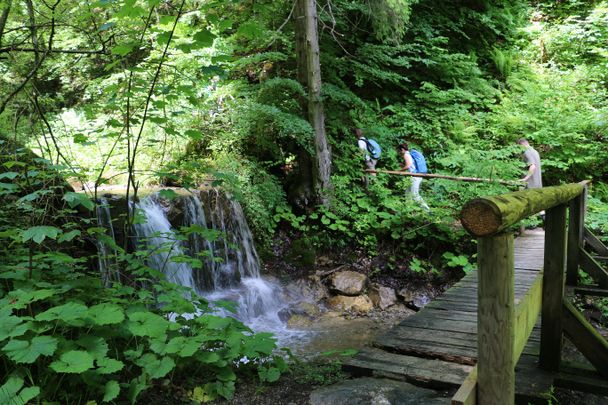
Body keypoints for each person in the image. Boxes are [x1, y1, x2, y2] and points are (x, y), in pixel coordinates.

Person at [397, 143, 430, 211]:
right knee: (407, 193)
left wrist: (400, 170)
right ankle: (408, 210)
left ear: (402, 149)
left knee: (415, 195)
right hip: (415, 176)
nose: (399, 153)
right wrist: (403, 165)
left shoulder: (406, 155)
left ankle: (427, 210)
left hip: (415, 176)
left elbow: (408, 166)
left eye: (399, 151)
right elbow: (411, 165)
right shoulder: (409, 154)